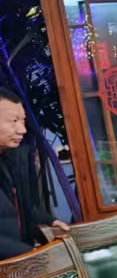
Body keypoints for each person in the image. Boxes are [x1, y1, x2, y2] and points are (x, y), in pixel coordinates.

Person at [0, 88, 63, 261]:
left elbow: (13, 207)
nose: (22, 130)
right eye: (14, 121)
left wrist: (47, 219)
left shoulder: (8, 160)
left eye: (23, 121)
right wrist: (33, 256)